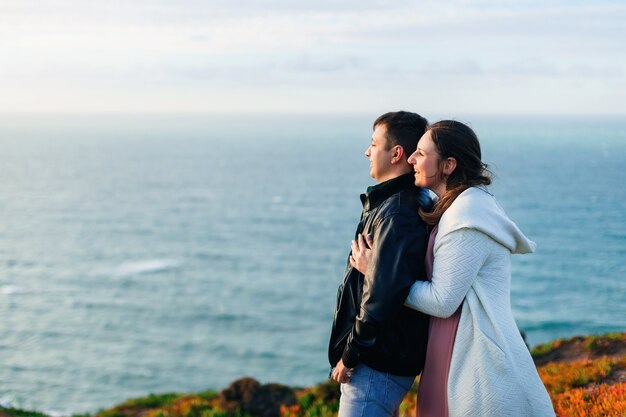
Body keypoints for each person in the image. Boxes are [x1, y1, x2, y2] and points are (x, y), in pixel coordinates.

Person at [351, 120, 555, 417]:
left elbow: (442, 301)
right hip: (452, 343)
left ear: (448, 165)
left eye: (421, 154)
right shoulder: (454, 206)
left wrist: (377, 274)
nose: (411, 160)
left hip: (477, 357)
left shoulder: (467, 217)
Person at [328, 111, 433, 417]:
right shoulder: (390, 206)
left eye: (374, 144)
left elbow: (383, 295)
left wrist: (351, 354)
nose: (367, 151)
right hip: (380, 363)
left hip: (374, 367)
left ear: (397, 153)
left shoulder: (396, 214)